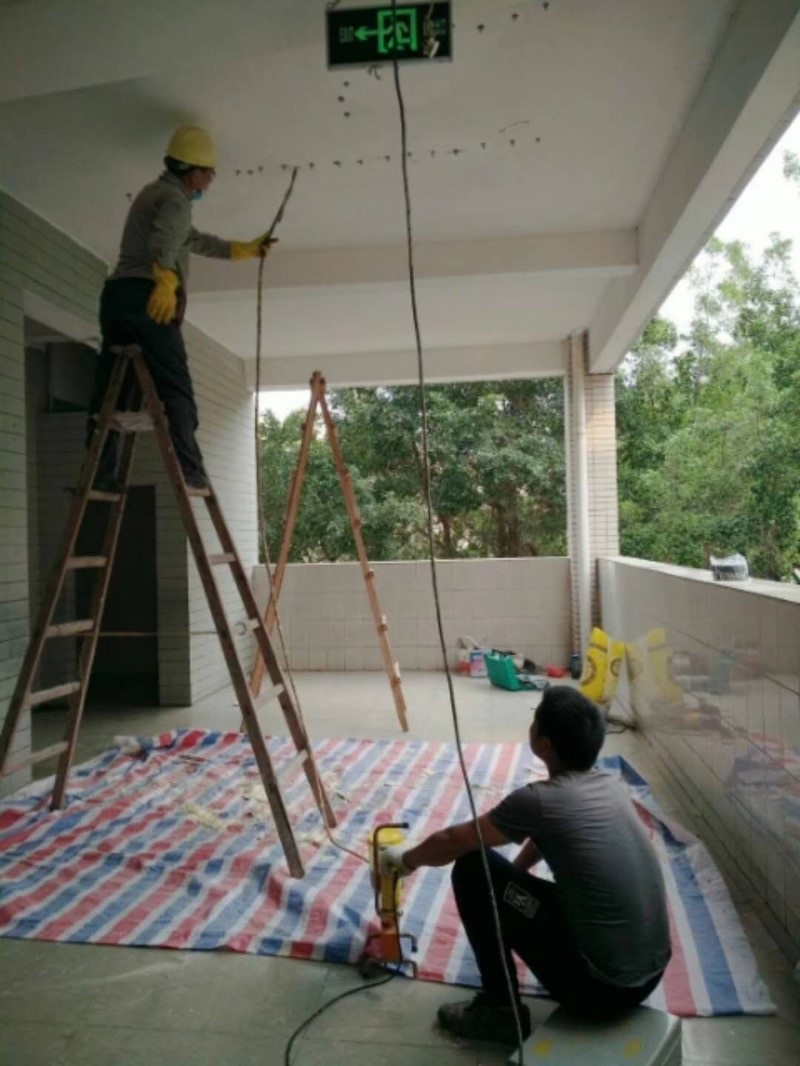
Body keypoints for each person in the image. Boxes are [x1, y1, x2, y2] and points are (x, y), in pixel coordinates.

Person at [380, 685, 671, 1044]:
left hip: (601, 990)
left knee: (473, 869)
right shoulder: (608, 785)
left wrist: (403, 860)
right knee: (504, 882)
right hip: (650, 974)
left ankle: (500, 1010)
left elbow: (454, 840)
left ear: (544, 745)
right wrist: (511, 883)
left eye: (535, 720)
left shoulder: (538, 801)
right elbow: (544, 833)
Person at [88, 125, 273, 491]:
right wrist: (165, 280)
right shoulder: (175, 201)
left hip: (116, 298)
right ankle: (190, 468)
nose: (211, 180)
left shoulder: (153, 194)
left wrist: (244, 249)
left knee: (112, 389)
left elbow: (192, 239)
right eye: (209, 173)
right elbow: (164, 242)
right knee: (175, 386)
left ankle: (100, 472)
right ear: (192, 171)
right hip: (147, 297)